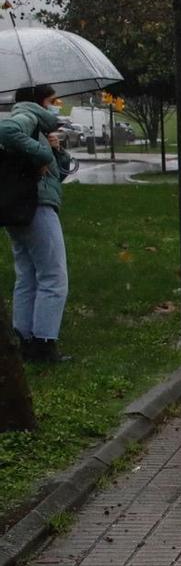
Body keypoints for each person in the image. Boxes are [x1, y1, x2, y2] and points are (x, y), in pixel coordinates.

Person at [2, 84, 74, 364]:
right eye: (50, 100)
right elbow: (6, 132)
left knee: (28, 274)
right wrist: (42, 154)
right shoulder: (27, 115)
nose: (54, 106)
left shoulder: (38, 126)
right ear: (37, 101)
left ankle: (25, 339)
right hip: (36, 206)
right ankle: (45, 342)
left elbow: (58, 174)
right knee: (54, 277)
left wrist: (55, 151)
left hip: (22, 207)